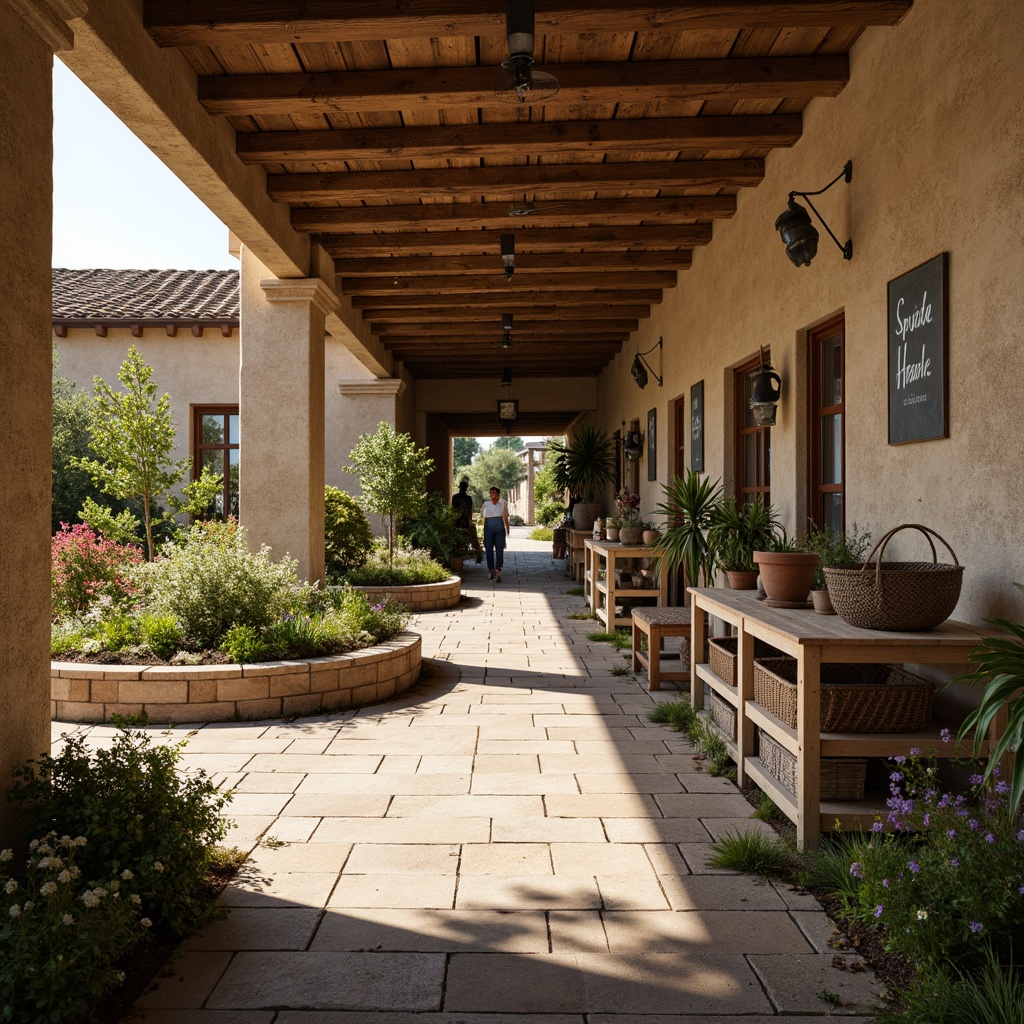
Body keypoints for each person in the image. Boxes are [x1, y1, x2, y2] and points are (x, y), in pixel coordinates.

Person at [481, 486, 510, 582]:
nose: (493, 495)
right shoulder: (486, 504)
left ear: (498, 494)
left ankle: (498, 569)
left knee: (499, 548)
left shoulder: (503, 504)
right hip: (488, 527)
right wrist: (483, 530)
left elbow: (505, 517)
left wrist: (507, 529)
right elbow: (483, 519)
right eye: (491, 493)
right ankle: (491, 570)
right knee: (488, 549)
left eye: (495, 494)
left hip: (499, 527)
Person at [451, 477, 482, 562]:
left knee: (457, 538)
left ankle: (458, 553)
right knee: (472, 536)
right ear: (466, 489)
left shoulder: (455, 497)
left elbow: (453, 509)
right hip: (464, 521)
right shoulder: (468, 498)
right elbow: (469, 510)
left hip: (457, 521)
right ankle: (477, 552)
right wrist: (470, 521)